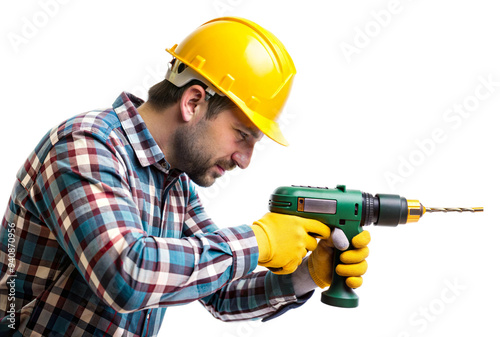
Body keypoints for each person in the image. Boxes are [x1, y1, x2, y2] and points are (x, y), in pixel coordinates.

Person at [0, 17, 369, 336]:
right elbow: (127, 274)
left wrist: (306, 275)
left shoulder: (172, 183)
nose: (245, 160)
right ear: (193, 102)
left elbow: (221, 293)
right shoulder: (86, 146)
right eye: (242, 136)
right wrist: (260, 241)